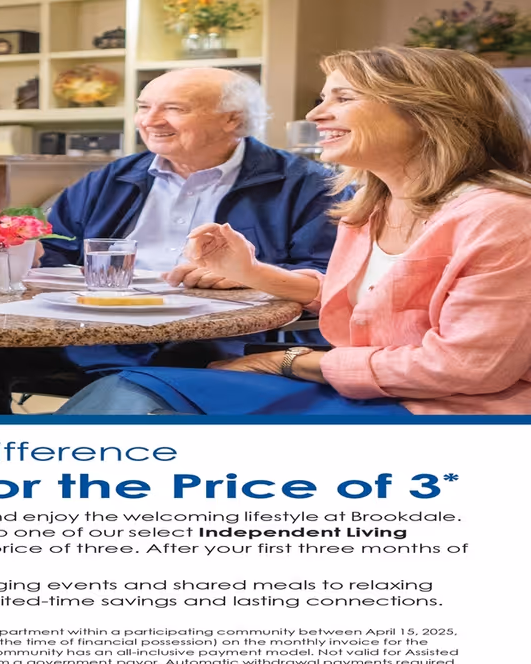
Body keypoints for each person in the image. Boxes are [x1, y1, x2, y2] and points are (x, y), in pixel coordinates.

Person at [60, 47, 531, 416]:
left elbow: (466, 368)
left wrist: (290, 362)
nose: (315, 115)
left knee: (133, 397)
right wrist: (254, 272)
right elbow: (381, 300)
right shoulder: (372, 206)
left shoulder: (503, 217)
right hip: (366, 391)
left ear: (428, 114)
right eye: (323, 98)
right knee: (128, 392)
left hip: (444, 412)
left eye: (343, 98)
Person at [0, 68, 347, 412]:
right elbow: (57, 251)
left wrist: (251, 274)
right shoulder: (110, 178)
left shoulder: (307, 184)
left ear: (232, 119)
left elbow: (331, 276)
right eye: (143, 107)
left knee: (144, 385)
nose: (150, 121)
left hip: (222, 336)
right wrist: (28, 252)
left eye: (173, 109)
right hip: (94, 330)